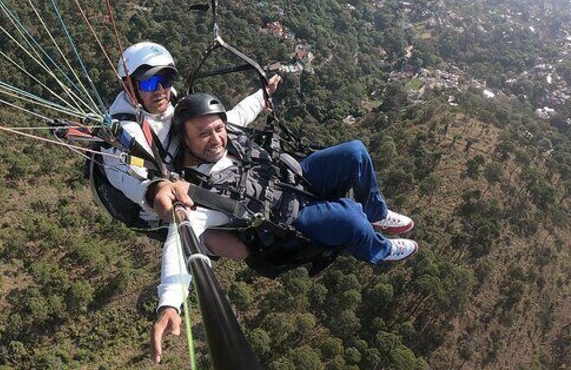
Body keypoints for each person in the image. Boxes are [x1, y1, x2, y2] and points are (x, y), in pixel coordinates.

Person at [148, 93, 418, 363]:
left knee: (355, 152)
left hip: (294, 177)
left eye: (219, 128)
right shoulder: (197, 194)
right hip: (293, 219)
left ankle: (377, 213)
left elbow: (243, 111)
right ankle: (379, 250)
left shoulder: (226, 134)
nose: (216, 139)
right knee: (350, 218)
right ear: (185, 139)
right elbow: (180, 237)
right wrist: (170, 301)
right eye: (203, 134)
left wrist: (264, 92)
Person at [101, 42, 281, 227]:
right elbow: (124, 173)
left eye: (166, 80)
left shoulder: (169, 102)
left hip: (184, 169)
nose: (161, 90)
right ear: (128, 85)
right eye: (150, 83)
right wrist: (156, 190)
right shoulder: (125, 130)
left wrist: (262, 96)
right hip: (160, 206)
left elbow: (227, 121)